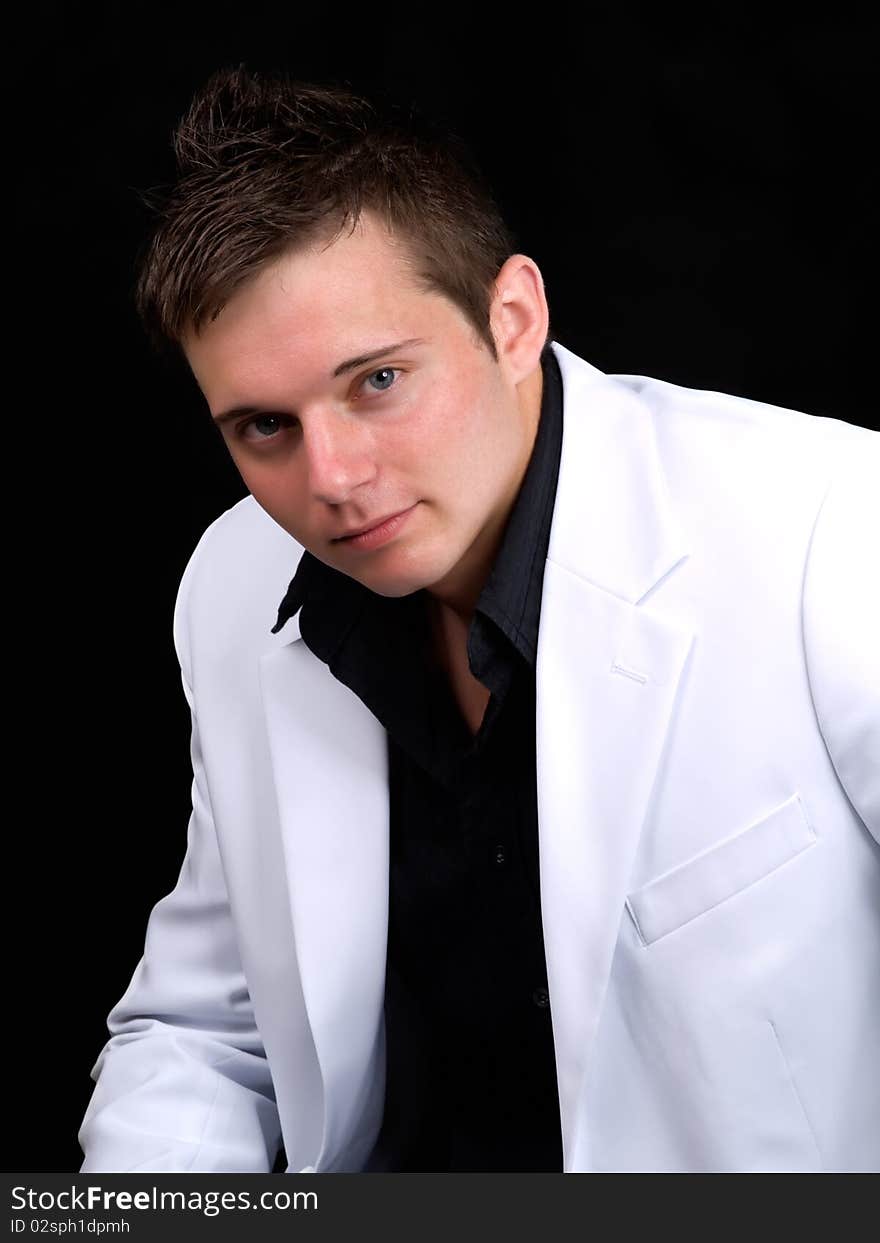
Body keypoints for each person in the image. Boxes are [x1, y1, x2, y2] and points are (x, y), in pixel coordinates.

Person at [78, 66, 879, 1174]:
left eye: (377, 381)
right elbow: (211, 1031)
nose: (334, 478)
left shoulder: (828, 526)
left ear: (512, 319)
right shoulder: (232, 580)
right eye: (264, 425)